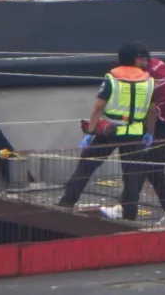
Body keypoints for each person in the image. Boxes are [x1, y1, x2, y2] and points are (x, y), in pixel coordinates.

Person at [99, 46, 165, 226]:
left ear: (140, 59)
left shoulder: (156, 73)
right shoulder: (150, 69)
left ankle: (135, 209)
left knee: (148, 168)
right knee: (148, 169)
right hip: (148, 125)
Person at [57, 43, 157, 221]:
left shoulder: (112, 78)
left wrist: (90, 132)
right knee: (132, 177)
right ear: (136, 59)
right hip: (134, 134)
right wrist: (149, 133)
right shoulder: (149, 81)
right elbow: (152, 110)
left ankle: (66, 203)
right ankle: (130, 218)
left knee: (86, 166)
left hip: (109, 131)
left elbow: (99, 107)